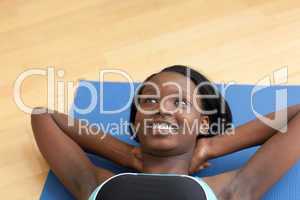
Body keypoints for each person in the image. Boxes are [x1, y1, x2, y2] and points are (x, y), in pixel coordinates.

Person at [31, 65, 300, 200]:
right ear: (136, 123)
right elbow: (43, 116)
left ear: (203, 123)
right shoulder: (93, 183)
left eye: (180, 102)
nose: (161, 108)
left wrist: (210, 146)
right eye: (148, 101)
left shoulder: (230, 190)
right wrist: (127, 155)